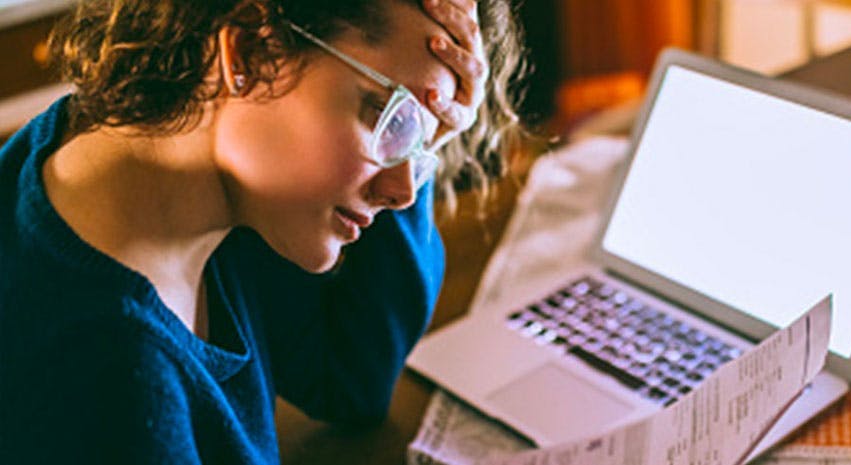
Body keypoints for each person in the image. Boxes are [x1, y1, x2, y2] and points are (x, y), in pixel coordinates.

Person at [0, 0, 526, 462]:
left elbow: (348, 380)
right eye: (390, 120)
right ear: (250, 51)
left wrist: (421, 138)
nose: (402, 193)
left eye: (420, 145)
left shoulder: (137, 153)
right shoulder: (110, 386)